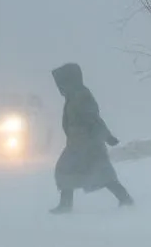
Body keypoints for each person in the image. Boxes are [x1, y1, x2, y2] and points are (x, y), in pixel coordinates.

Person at [50, 62, 134, 214]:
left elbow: (94, 118)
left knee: (101, 172)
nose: (59, 87)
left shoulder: (81, 96)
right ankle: (65, 205)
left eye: (62, 83)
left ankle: (125, 199)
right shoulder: (72, 96)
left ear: (71, 80)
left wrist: (107, 136)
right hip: (76, 144)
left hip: (89, 144)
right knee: (66, 171)